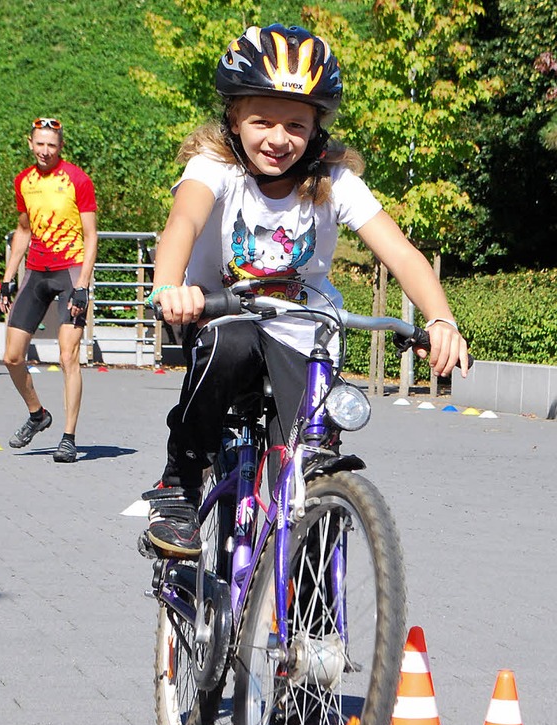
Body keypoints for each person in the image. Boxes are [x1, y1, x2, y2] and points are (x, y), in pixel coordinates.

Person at [140, 24, 469, 557]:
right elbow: (182, 223)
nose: (278, 138)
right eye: (261, 120)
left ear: (317, 129)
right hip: (221, 315)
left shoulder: (334, 181)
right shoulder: (215, 168)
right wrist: (169, 288)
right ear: (233, 119)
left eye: (296, 124)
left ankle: (317, 633)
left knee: (313, 477)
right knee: (233, 345)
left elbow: (404, 254)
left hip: (302, 330)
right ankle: (179, 481)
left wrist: (441, 319)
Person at [0, 118, 98, 463]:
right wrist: (9, 276)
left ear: (60, 147)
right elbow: (23, 230)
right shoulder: (23, 181)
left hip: (69, 271)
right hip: (36, 272)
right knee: (11, 356)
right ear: (30, 143)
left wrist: (82, 286)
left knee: (68, 356)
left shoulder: (77, 180)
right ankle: (37, 414)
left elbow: (91, 236)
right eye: (40, 144)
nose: (45, 151)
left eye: (51, 145)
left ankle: (68, 437)